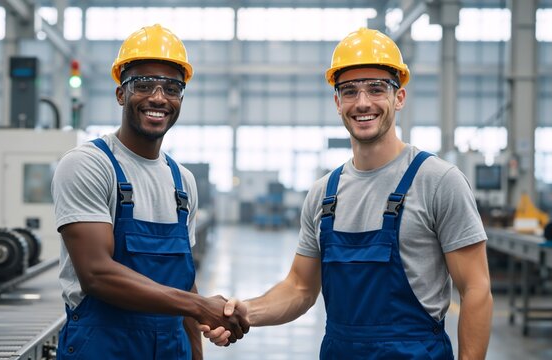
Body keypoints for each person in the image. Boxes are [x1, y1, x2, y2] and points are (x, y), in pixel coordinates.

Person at [201, 27, 493, 359]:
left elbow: (476, 289)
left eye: (376, 88)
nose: (363, 102)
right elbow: (299, 288)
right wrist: (245, 311)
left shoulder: (438, 181)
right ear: (337, 102)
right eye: (350, 91)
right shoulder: (324, 195)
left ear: (399, 97)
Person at [52, 24, 248, 359]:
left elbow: (185, 283)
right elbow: (96, 274)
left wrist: (197, 349)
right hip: (103, 347)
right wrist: (200, 306)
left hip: (170, 348)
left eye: (172, 88)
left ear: (180, 98)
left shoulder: (181, 183)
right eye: (143, 85)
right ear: (120, 94)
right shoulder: (89, 165)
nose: (158, 97)